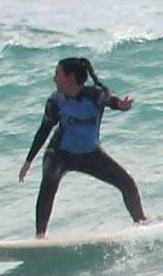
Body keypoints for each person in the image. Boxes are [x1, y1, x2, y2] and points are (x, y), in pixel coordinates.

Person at [18, 56, 146, 237]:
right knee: (49, 185)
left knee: (127, 182)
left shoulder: (95, 96)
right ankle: (40, 237)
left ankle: (142, 224)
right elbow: (44, 130)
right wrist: (28, 161)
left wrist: (122, 105)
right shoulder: (56, 101)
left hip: (90, 155)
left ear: (70, 78)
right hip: (59, 154)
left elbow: (112, 102)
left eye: (57, 74)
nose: (54, 79)